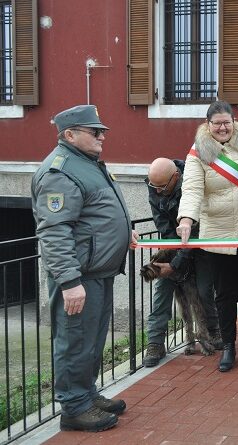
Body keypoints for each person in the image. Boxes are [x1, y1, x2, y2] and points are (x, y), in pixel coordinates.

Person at [32, 105, 134, 431]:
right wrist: (69, 280)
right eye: (95, 131)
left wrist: (123, 228)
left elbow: (95, 212)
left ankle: (87, 394)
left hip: (98, 272)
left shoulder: (85, 163)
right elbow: (54, 230)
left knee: (92, 339)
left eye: (101, 130)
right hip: (80, 277)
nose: (102, 135)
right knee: (75, 340)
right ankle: (74, 407)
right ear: (70, 134)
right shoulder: (60, 171)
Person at [177, 101, 238, 373]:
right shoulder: (197, 153)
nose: (222, 127)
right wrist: (186, 219)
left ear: (234, 121)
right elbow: (192, 188)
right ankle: (229, 346)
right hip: (219, 233)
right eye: (216, 123)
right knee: (224, 294)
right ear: (208, 125)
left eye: (226, 122)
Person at [142, 158, 222, 368]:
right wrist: (170, 256)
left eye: (161, 187)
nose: (157, 191)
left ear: (176, 177)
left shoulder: (194, 182)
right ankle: (155, 343)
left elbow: (194, 230)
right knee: (162, 290)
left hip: (199, 242)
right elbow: (162, 224)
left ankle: (213, 331)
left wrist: (177, 264)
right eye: (153, 187)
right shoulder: (154, 185)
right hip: (173, 243)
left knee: (204, 291)